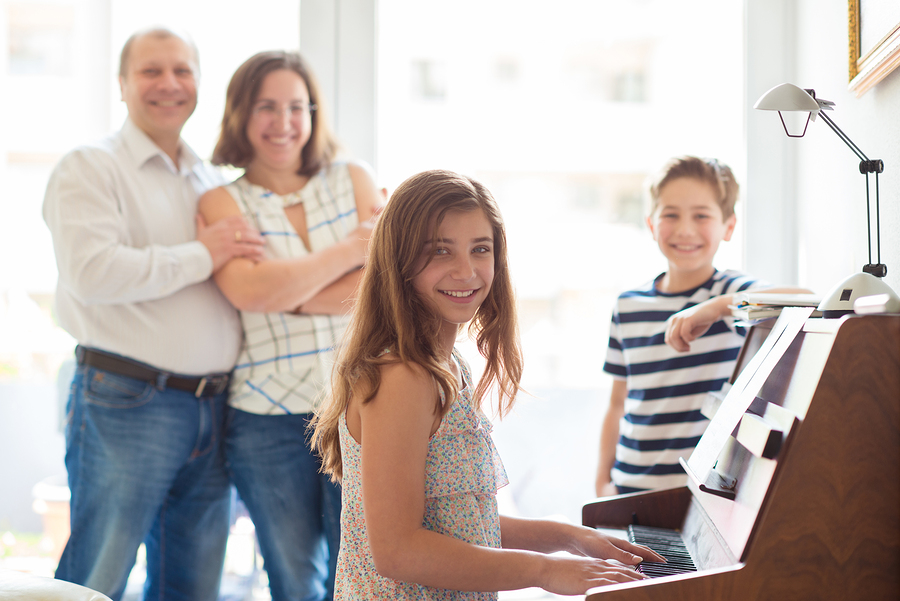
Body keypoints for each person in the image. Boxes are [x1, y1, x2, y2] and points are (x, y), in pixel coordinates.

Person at [311, 169, 663, 599]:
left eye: (481, 249)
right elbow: (398, 551)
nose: (466, 270)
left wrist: (568, 537)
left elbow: (461, 520)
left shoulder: (445, 364)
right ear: (398, 261)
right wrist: (546, 572)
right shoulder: (403, 377)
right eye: (440, 251)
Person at [42, 27, 265, 601]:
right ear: (122, 85)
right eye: (150, 71)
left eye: (182, 70)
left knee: (192, 587)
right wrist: (204, 253)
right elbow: (93, 274)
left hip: (214, 408)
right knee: (96, 580)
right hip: (127, 401)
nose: (169, 84)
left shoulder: (214, 181)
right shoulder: (88, 168)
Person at [197, 50, 382, 601]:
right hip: (265, 418)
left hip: (358, 407)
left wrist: (288, 292)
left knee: (363, 570)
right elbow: (248, 292)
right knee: (293, 578)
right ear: (239, 115)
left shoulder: (353, 178)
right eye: (266, 107)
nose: (283, 123)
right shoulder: (219, 198)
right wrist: (350, 248)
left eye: (296, 107)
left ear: (313, 112)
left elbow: (381, 288)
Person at [595, 156, 807, 496]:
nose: (685, 229)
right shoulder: (628, 305)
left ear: (729, 226)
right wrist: (601, 481)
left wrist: (716, 308)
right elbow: (616, 404)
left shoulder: (729, 293)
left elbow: (804, 298)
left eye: (701, 215)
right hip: (630, 487)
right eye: (671, 214)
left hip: (698, 491)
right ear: (651, 224)